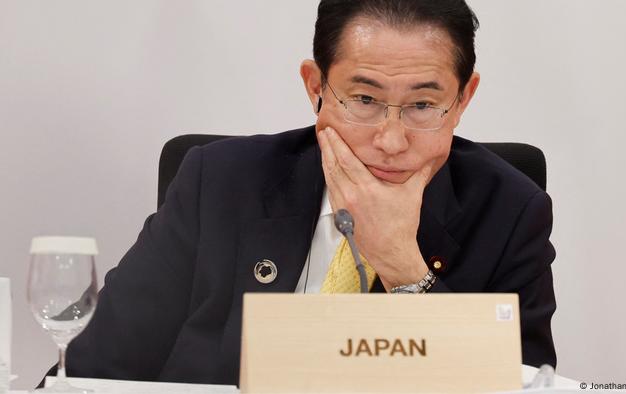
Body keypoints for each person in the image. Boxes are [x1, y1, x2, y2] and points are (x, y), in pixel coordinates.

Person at [51, 0, 557, 386]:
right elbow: (86, 370)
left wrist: (405, 267)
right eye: (364, 99)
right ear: (315, 86)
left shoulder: (511, 211)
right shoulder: (219, 182)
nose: (391, 140)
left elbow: (522, 384)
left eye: (424, 105)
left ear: (463, 98)